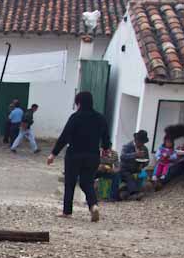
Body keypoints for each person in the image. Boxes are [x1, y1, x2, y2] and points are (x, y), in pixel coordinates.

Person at [48, 91, 110, 221]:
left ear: (79, 103)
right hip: (92, 156)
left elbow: (64, 137)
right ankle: (93, 206)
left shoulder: (75, 117)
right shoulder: (100, 118)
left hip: (74, 155)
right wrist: (105, 148)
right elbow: (106, 137)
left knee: (70, 182)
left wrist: (53, 154)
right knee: (87, 182)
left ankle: (67, 212)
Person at [118, 130, 150, 200]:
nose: (141, 144)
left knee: (143, 174)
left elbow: (147, 160)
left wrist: (144, 164)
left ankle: (134, 192)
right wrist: (135, 154)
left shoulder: (144, 149)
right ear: (136, 140)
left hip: (137, 169)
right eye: (140, 142)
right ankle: (134, 193)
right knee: (129, 176)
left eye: (143, 142)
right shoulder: (127, 146)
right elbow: (122, 157)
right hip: (125, 168)